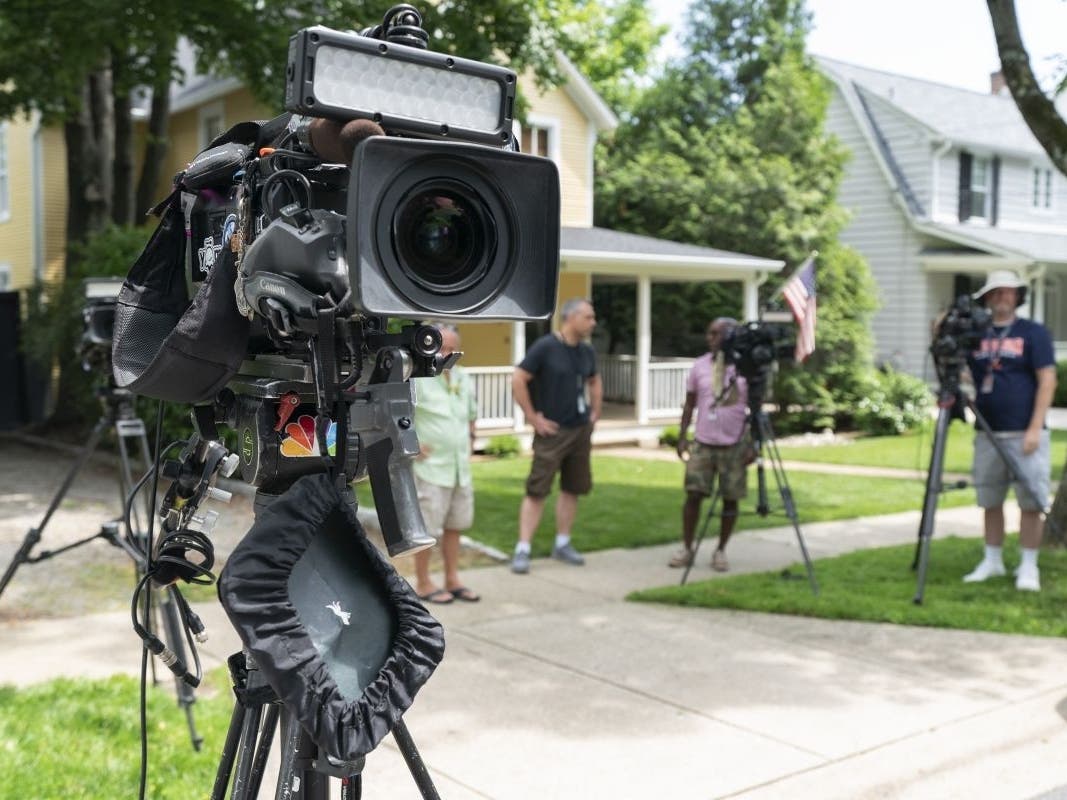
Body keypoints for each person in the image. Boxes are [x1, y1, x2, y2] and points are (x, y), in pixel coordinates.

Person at [963, 270, 1056, 592]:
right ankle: (992, 560)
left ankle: (1028, 566)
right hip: (987, 431)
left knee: (1030, 502)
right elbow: (967, 374)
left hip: (1025, 432)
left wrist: (1034, 428)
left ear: (1017, 297)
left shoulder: (1033, 333)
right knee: (990, 499)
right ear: (987, 298)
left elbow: (1047, 380)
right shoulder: (976, 335)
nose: (1002, 297)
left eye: (1007, 291)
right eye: (996, 292)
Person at [510, 298, 602, 574]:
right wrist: (532, 417)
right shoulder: (546, 347)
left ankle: (563, 543)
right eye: (588, 317)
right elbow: (518, 378)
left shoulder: (586, 351)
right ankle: (523, 549)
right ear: (570, 318)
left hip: (580, 430)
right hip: (552, 432)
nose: (593, 323)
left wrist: (595, 413)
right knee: (537, 490)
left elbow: (594, 380)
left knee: (572, 488)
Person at [671, 318, 751, 572]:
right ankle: (687, 548)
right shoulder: (700, 365)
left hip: (734, 443)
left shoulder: (744, 367)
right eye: (709, 333)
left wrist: (754, 443)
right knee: (693, 494)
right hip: (703, 442)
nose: (710, 338)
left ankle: (721, 550)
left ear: (730, 336)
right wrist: (682, 436)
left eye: (716, 334)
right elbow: (690, 403)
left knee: (730, 499)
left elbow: (756, 407)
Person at [411, 325, 480, 604]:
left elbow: (471, 414)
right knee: (427, 529)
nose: (447, 354)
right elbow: (398, 415)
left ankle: (453, 579)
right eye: (443, 348)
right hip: (430, 469)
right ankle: (423, 582)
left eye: (453, 349)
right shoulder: (417, 377)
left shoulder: (464, 377)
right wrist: (412, 445)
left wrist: (472, 439)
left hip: (459, 468)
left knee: (455, 525)